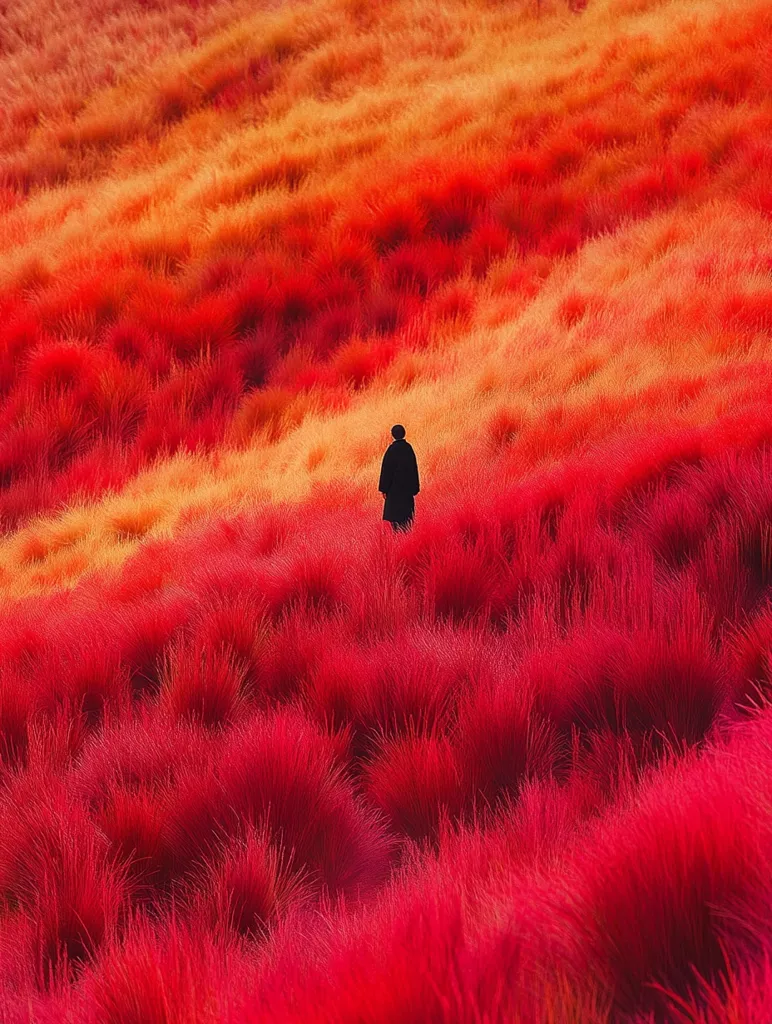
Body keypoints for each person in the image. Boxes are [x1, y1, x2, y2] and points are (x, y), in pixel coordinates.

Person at [378, 424, 420, 532]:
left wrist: (384, 489)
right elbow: (413, 469)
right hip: (407, 492)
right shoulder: (408, 449)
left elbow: (386, 471)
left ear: (392, 435)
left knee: (395, 522)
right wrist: (415, 488)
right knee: (407, 522)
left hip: (394, 492)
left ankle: (398, 543)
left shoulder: (391, 450)